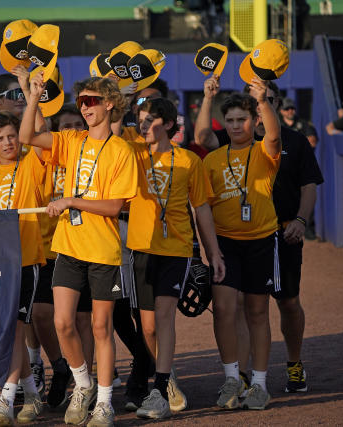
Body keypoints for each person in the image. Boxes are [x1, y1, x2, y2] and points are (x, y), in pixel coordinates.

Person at [21, 74, 138, 427]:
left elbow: (116, 206)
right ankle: (83, 384)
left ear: (109, 103)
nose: (85, 107)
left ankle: (104, 403)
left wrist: (73, 200)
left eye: (91, 101)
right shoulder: (71, 140)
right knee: (61, 322)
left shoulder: (122, 150)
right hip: (69, 247)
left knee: (101, 327)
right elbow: (27, 136)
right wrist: (34, 97)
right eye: (81, 102)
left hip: (103, 251)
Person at [200, 81, 324, 395]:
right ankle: (239, 375)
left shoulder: (286, 143)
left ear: (262, 111)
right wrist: (208, 98)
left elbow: (308, 183)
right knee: (235, 307)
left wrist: (300, 219)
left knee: (287, 302)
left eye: (266, 101)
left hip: (278, 234)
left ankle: (290, 365)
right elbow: (203, 139)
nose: (235, 124)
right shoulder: (217, 155)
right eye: (229, 120)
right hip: (231, 240)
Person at [127, 97, 225, 420]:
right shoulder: (134, 155)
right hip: (140, 247)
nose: (143, 126)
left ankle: (160, 388)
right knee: (149, 326)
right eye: (140, 120)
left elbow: (202, 210)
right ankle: (166, 376)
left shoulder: (188, 161)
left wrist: (214, 253)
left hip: (177, 249)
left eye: (150, 120)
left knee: (165, 315)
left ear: (168, 124)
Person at [195, 75, 282, 411]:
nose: (235, 126)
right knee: (225, 313)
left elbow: (274, 135)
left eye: (241, 119)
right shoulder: (212, 159)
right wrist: (212, 250)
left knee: (258, 312)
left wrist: (262, 99)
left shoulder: (264, 152)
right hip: (226, 245)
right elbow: (204, 206)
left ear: (254, 121)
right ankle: (232, 378)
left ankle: (259, 383)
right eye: (229, 120)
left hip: (261, 240)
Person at [0, 111, 47, 426]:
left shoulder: (31, 163)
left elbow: (41, 136)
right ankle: (31, 394)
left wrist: (31, 97)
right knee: (8, 333)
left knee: (15, 331)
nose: (7, 142)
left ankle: (5, 400)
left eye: (11, 136)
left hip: (26, 260)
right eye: (0, 138)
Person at [32, 104, 95, 410]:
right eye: (64, 126)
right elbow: (34, 134)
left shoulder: (89, 157)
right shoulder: (49, 155)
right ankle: (60, 364)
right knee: (46, 316)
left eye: (75, 125)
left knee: (84, 319)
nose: (70, 131)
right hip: (48, 249)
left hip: (81, 246)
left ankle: (86, 383)